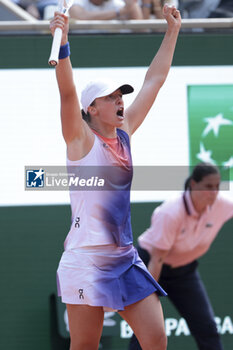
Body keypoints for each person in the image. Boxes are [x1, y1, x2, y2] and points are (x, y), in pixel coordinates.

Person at [50, 4, 181, 350]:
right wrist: (62, 43)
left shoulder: (126, 133)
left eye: (121, 95)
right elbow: (67, 92)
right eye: (111, 97)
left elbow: (154, 79)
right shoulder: (79, 140)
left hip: (124, 258)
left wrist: (172, 32)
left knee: (155, 339)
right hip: (85, 260)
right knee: (86, 347)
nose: (120, 100)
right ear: (92, 108)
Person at [129, 162, 233, 350]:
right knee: (145, 330)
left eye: (217, 187)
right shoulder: (171, 212)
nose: (214, 192)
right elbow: (157, 259)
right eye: (208, 186)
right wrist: (149, 297)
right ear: (193, 184)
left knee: (206, 327)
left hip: (183, 271)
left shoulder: (222, 206)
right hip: (151, 266)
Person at [69, 0, 143, 21]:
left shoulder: (115, 3)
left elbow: (140, 27)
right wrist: (119, 12)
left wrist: (132, 5)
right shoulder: (77, 1)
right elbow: (79, 16)